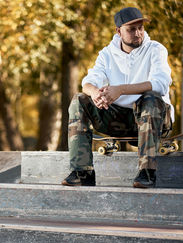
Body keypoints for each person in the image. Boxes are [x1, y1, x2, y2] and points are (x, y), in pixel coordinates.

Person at [61, 7, 174, 188]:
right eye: (131, 29)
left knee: (151, 97)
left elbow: (161, 84)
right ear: (118, 31)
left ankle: (147, 172)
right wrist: (96, 93)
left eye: (140, 28)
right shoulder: (107, 54)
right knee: (79, 99)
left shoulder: (156, 50)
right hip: (119, 121)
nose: (138, 33)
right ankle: (83, 172)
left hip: (155, 120)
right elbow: (88, 82)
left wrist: (120, 89)